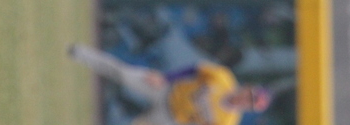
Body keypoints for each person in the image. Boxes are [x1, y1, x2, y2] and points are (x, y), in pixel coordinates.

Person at [68, 44, 271, 125]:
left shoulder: (228, 120)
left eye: (251, 103)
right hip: (165, 90)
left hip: (168, 119)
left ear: (250, 108)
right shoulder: (223, 79)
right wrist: (165, 78)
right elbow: (194, 69)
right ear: (248, 88)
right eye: (251, 95)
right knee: (123, 73)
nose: (247, 100)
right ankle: (79, 53)